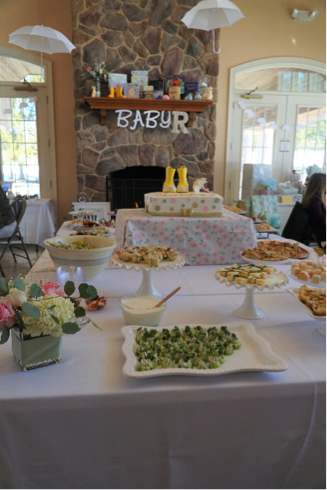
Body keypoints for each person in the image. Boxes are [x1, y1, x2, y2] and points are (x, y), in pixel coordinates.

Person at [302, 172, 327, 247]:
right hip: (321, 232)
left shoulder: (310, 197)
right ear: (321, 185)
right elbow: (320, 218)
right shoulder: (315, 199)